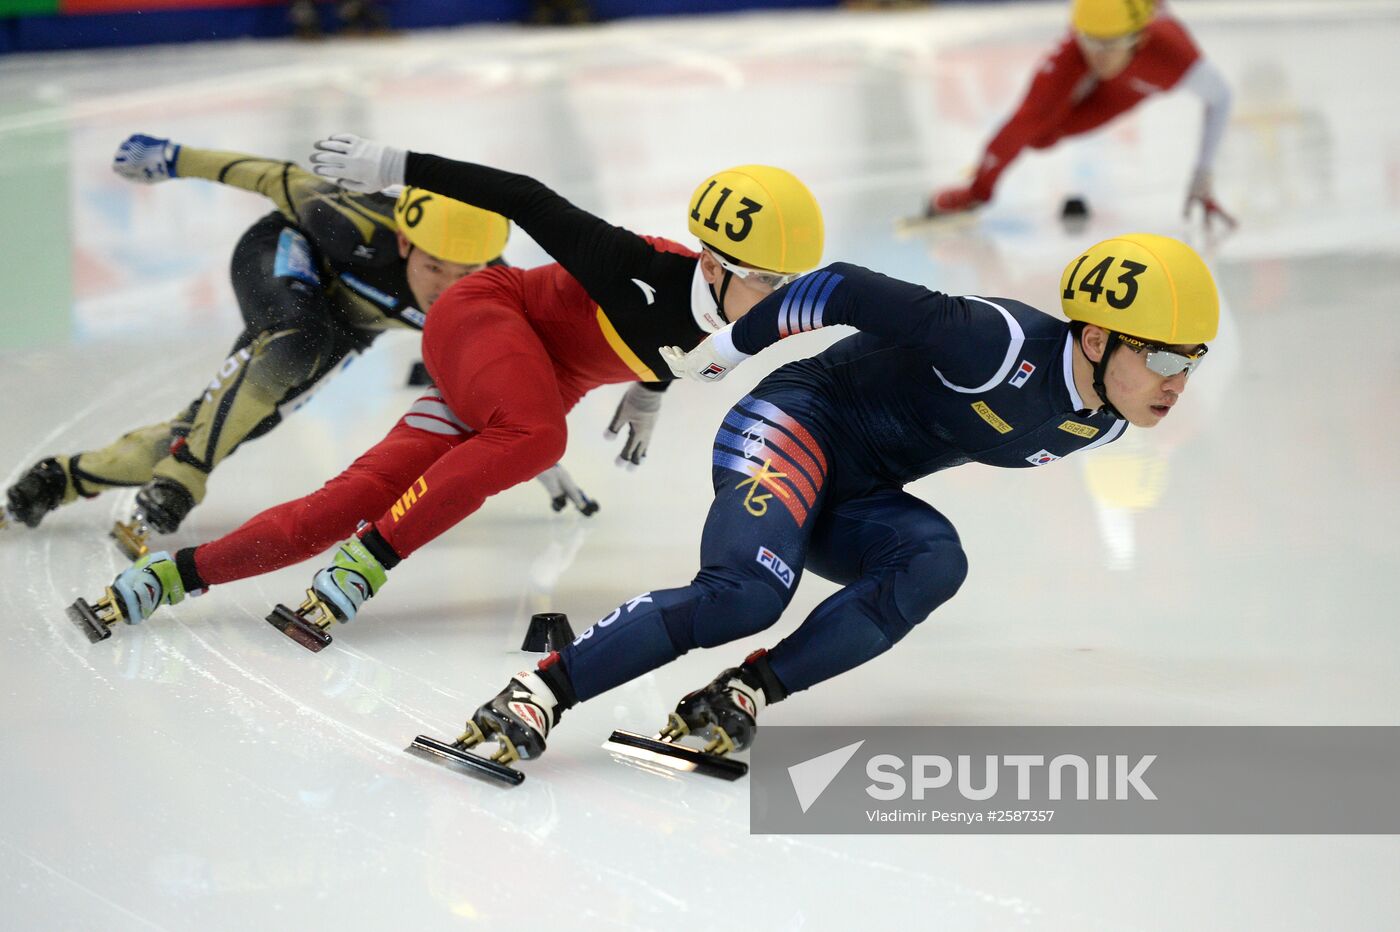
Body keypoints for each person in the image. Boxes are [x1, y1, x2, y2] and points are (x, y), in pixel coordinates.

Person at [456, 232, 1219, 767]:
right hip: (791, 425)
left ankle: (744, 691)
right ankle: (539, 692)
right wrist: (723, 352)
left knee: (934, 562)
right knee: (747, 595)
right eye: (1159, 357)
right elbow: (843, 286)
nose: (1175, 383)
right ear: (1095, 340)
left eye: (1190, 361)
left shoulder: (1105, 423)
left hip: (852, 487)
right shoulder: (995, 342)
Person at [73, 138, 825, 647]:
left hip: (522, 388)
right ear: (714, 263)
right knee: (539, 439)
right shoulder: (632, 264)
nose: (780, 303)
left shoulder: (755, 320)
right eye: (767, 282)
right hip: (487, 316)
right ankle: (367, 561)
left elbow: (679, 342)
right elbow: (524, 197)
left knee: (339, 505)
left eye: (790, 287)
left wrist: (649, 388)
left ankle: (168, 577)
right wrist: (396, 161)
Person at [1, 136, 603, 554]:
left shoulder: (486, 297)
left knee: (236, 420)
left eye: (466, 273)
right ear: (403, 245)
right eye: (435, 267)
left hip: (346, 325)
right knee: (294, 341)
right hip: (285, 257)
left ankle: (62, 479)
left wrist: (538, 458)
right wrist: (174, 158)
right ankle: (183, 478)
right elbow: (270, 175)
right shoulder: (352, 219)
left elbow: (507, 389)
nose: (448, 288)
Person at [926, 0, 1234, 226]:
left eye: (1110, 44)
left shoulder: (1172, 54)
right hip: (1098, 60)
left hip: (1126, 90)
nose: (1098, 55)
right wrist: (977, 192)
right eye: (1090, 41)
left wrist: (1202, 174)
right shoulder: (1075, 52)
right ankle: (978, 190)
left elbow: (1220, 98)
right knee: (1035, 131)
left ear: (1138, 39)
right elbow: (1018, 125)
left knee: (1044, 136)